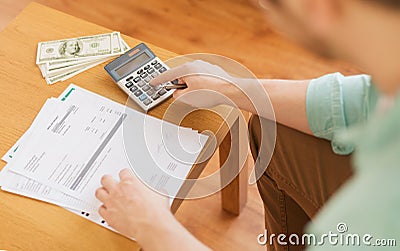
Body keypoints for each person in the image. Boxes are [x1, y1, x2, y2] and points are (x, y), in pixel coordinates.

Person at [95, 0, 400, 250]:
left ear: (319, 7)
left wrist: (152, 227)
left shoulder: (378, 211)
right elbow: (360, 101)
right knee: (275, 129)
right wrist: (230, 88)